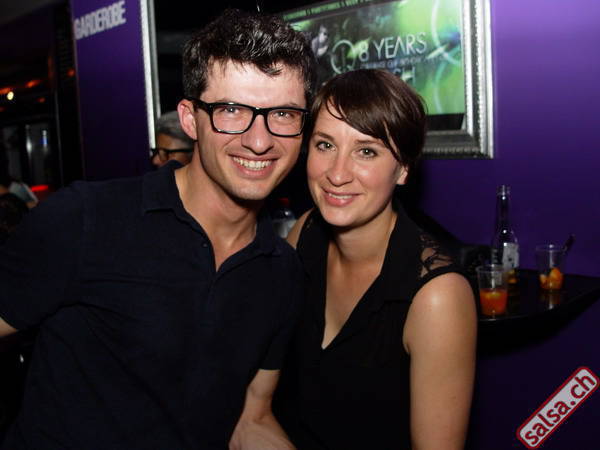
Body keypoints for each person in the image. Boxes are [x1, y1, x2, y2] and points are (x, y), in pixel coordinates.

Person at [0, 8, 315, 449]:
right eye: (230, 110)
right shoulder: (85, 219)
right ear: (189, 119)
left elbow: (250, 420)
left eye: (282, 113)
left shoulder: (282, 272)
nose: (259, 141)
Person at [275, 69, 477, 449]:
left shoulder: (437, 297)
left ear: (403, 169)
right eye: (325, 145)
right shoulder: (304, 233)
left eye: (366, 151)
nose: (337, 173)